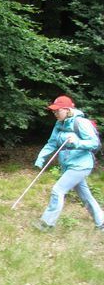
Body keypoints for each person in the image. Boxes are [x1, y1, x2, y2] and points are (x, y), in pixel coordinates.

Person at [32, 95, 103, 232]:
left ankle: (47, 224)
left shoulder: (81, 122)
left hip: (81, 165)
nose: (55, 114)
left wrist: (76, 142)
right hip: (68, 165)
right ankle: (101, 223)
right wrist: (40, 159)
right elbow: (52, 143)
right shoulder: (59, 124)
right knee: (85, 195)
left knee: (58, 190)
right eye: (54, 111)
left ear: (67, 109)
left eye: (58, 111)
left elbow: (94, 143)